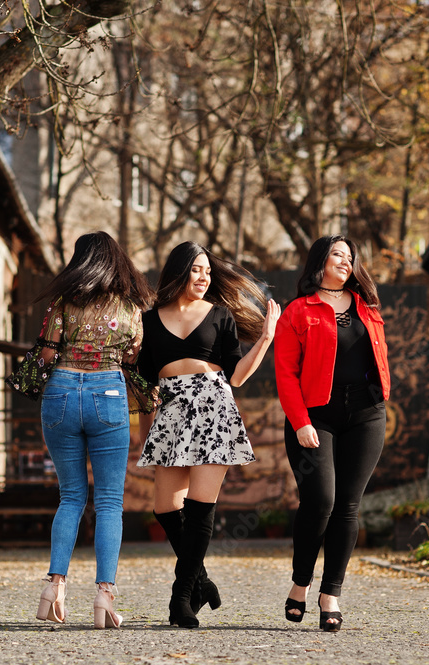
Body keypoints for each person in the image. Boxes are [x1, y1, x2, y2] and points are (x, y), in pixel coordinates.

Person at [137, 241, 280, 628]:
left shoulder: (219, 315)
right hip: (171, 411)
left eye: (208, 271)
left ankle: (181, 598)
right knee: (165, 508)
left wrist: (266, 337)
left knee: (200, 508)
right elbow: (146, 382)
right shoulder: (149, 320)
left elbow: (237, 376)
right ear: (179, 272)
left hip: (213, 408)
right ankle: (201, 582)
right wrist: (145, 430)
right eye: (196, 270)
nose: (203, 277)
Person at [27, 231, 153, 630]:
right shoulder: (130, 307)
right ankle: (104, 596)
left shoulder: (63, 302)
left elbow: (47, 352)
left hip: (61, 391)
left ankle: (54, 587)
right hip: (109, 392)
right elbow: (134, 356)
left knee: (70, 496)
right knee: (110, 501)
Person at [274, 235, 390, 632]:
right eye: (338, 254)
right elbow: (286, 373)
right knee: (320, 499)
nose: (346, 261)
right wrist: (301, 421)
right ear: (320, 261)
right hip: (315, 416)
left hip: (367, 415)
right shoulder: (298, 311)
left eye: (350, 256)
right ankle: (301, 582)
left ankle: (331, 594)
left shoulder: (367, 307)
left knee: (348, 506)